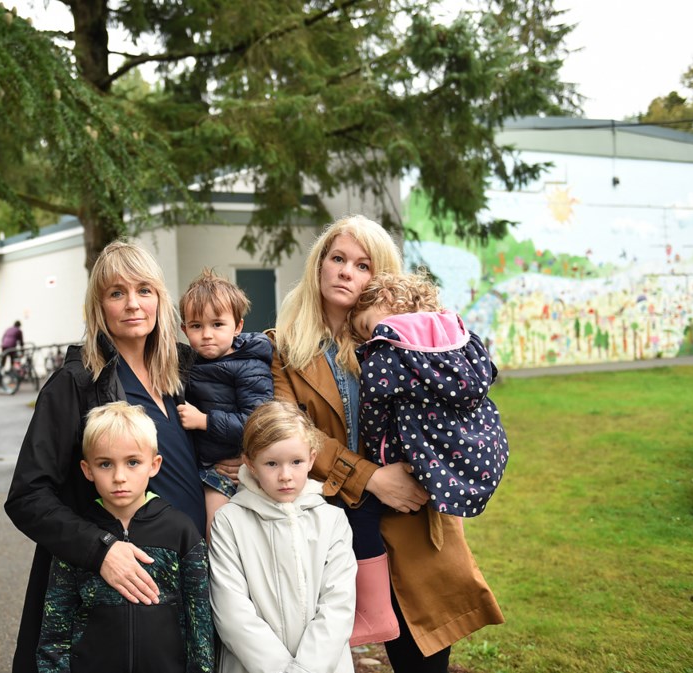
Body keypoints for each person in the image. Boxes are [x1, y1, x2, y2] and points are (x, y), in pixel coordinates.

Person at [269, 214, 503, 673]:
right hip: (332, 521)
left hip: (415, 516)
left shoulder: (410, 341)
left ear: (382, 278)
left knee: (422, 657)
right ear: (319, 264)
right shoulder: (283, 349)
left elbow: (456, 410)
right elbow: (288, 432)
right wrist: (372, 477)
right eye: (337, 259)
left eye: (363, 265)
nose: (346, 272)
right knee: (319, 656)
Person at [5, 239, 205, 673]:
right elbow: (27, 497)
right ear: (99, 306)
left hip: (183, 572)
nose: (133, 304)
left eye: (144, 290)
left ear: (160, 298)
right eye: (117, 293)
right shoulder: (76, 385)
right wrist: (101, 550)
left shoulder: (183, 374)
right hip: (111, 590)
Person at [36, 401, 214, 673]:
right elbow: (55, 629)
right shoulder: (79, 536)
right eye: (105, 464)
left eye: (133, 462)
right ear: (87, 470)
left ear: (154, 465)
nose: (119, 477)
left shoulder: (181, 531)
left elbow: (199, 623)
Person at [208, 400, 356, 673]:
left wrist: (306, 669)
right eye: (272, 463)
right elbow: (231, 610)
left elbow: (338, 604)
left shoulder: (332, 521)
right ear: (250, 464)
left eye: (296, 462)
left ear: (312, 458)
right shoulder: (230, 522)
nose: (285, 476)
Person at [350, 270, 509, 517]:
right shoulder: (458, 332)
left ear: (384, 297)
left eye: (365, 326)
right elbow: (488, 370)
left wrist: (377, 452)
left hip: (419, 457)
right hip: (484, 447)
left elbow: (373, 410)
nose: (368, 338)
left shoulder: (386, 355)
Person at [176, 269, 274, 539]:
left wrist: (204, 420)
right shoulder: (190, 363)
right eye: (196, 326)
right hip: (207, 465)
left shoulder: (249, 365)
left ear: (238, 326)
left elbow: (258, 423)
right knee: (215, 530)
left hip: (240, 468)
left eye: (217, 324)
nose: (207, 334)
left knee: (221, 530)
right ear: (185, 329)